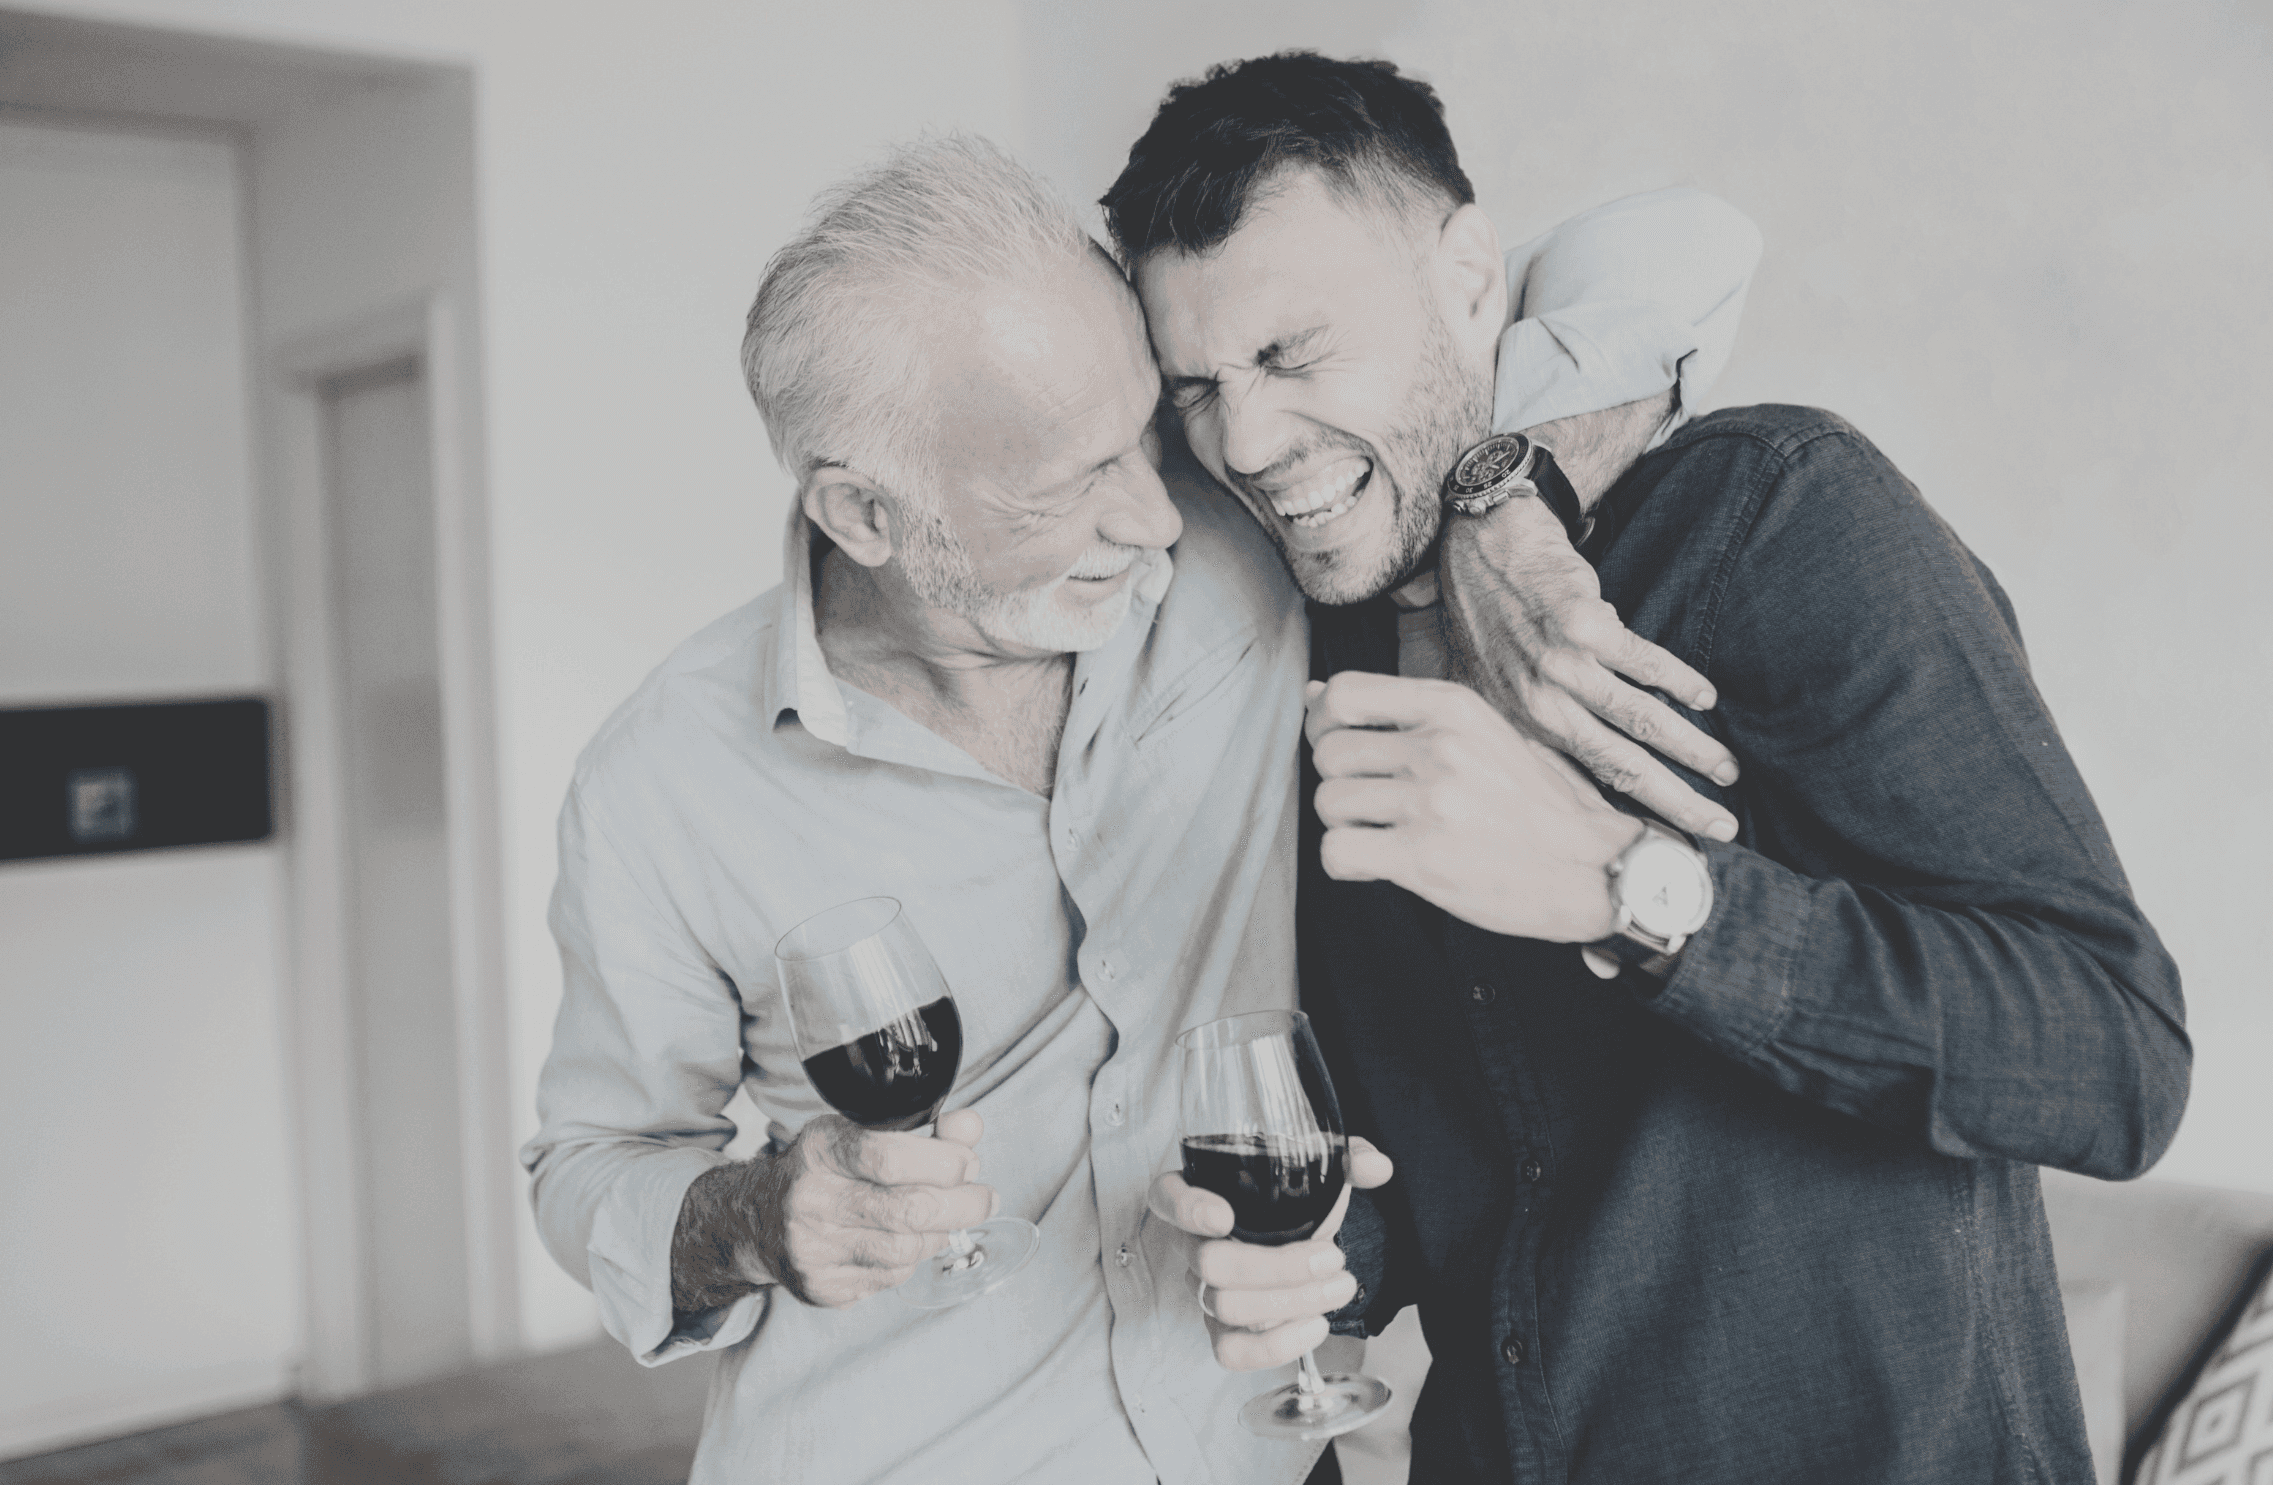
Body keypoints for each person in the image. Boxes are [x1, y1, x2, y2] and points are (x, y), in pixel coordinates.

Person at [520, 130, 1763, 1483]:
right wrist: (757, 1217)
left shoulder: (1244, 516)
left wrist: (1507, 505)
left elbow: (1677, 241)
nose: (1156, 518)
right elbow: (594, 1164)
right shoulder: (665, 780)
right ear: (865, 515)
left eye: (1142, 440)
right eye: (1069, 488)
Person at [1110, 52, 2193, 1483]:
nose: (1244, 439)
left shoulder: (1777, 522)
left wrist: (1629, 889)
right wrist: (1322, 1260)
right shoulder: (1303, 663)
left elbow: (2113, 1059)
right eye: (1197, 386)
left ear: (1474, 281)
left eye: (1293, 354)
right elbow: (1458, 1180)